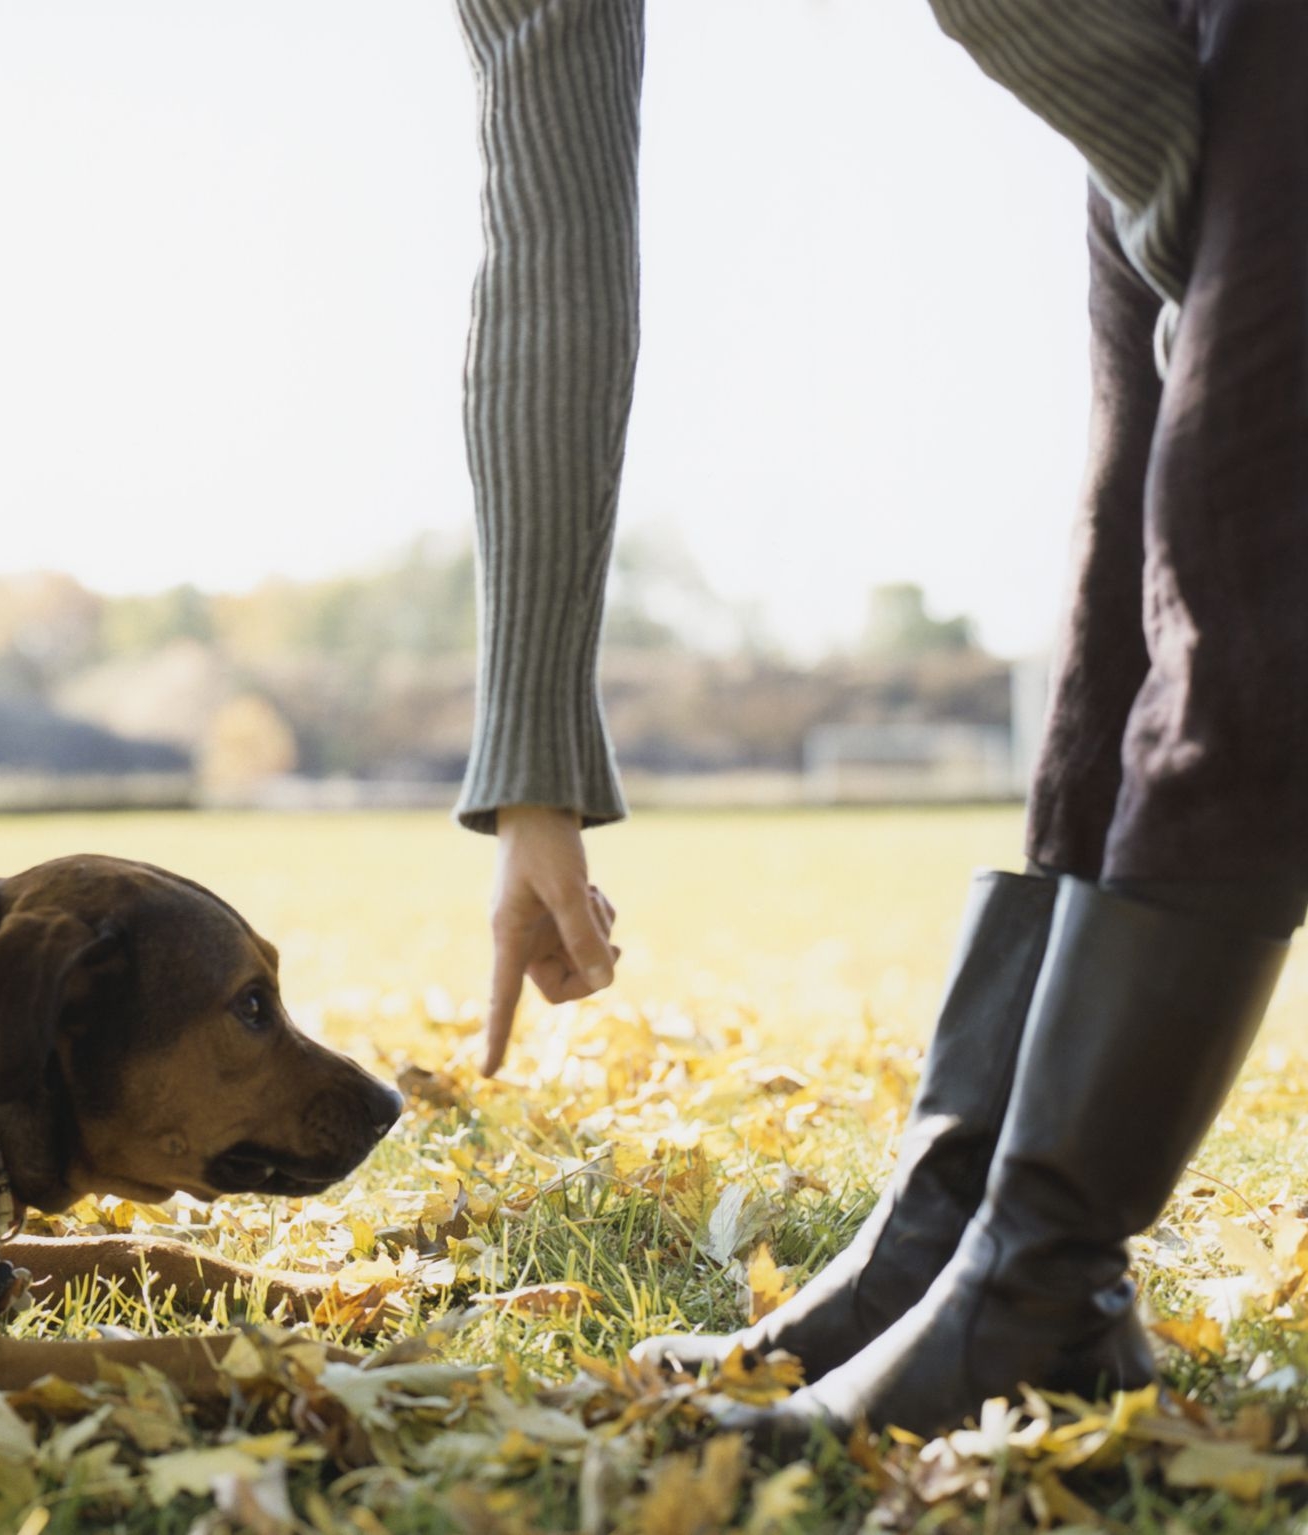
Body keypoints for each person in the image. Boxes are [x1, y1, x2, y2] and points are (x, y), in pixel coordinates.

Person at [453, 0, 1308, 1437]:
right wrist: (532, 767)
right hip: (1165, 64)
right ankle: (952, 1232)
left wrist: (1232, 231)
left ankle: (1042, 1289)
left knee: (1243, 580)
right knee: (1115, 622)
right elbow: (548, 252)